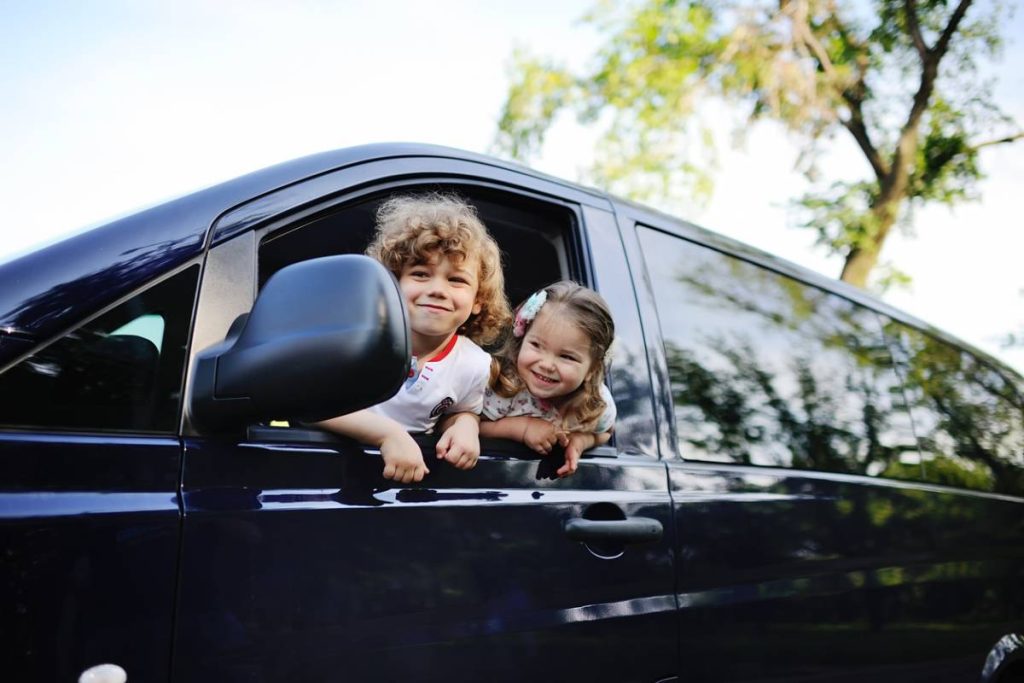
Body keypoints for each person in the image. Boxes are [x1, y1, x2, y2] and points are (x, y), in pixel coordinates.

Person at [317, 194, 510, 483]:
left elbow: (460, 410)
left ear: (478, 299)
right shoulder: (358, 340)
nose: (438, 290)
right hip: (329, 472)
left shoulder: (474, 365)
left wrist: (465, 426)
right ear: (392, 283)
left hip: (409, 485)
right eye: (420, 274)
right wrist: (387, 434)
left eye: (456, 279)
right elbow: (312, 406)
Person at [480, 281, 616, 477]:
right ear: (521, 338)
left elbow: (606, 431)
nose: (547, 364)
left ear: (591, 370)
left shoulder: (595, 402)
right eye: (536, 345)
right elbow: (465, 424)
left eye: (566, 357)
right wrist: (523, 429)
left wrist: (580, 441)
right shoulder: (502, 386)